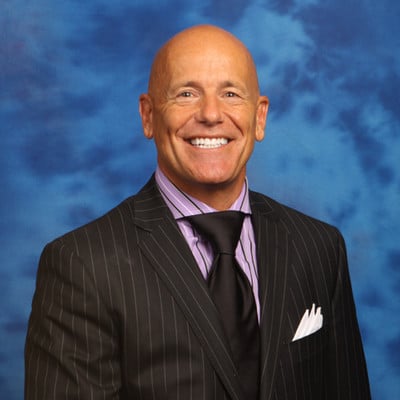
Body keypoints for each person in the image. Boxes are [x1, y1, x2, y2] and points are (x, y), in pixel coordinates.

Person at [25, 24, 371, 399]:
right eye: (186, 94)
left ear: (259, 118)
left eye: (231, 94)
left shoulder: (319, 248)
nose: (211, 114)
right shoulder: (82, 265)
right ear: (148, 115)